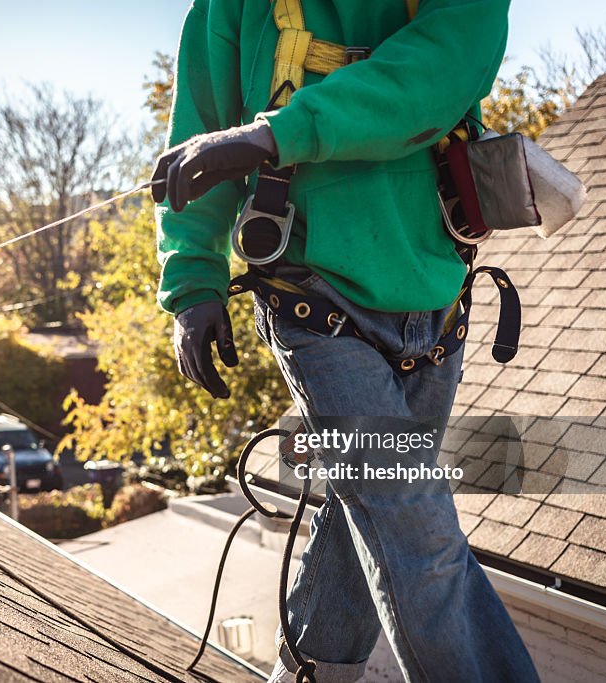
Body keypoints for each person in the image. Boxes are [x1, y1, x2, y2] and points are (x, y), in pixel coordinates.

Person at [153, 1, 538, 681]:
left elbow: (443, 64)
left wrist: (276, 134)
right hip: (314, 298)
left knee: (364, 519)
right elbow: (202, 133)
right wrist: (193, 281)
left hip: (435, 304)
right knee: (415, 529)